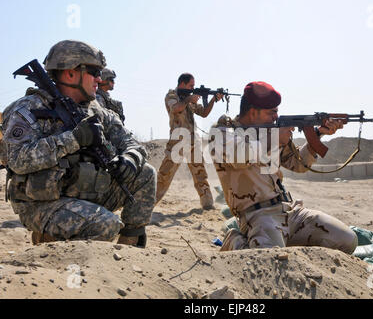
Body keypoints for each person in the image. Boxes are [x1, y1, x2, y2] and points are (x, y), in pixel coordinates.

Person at [1, 40, 156, 248]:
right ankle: (49, 242)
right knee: (106, 225)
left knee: (145, 174)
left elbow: (130, 142)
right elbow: (17, 159)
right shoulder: (29, 109)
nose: (99, 79)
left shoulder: (96, 110)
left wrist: (130, 158)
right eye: (94, 71)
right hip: (42, 204)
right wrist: (73, 140)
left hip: (85, 192)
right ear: (70, 73)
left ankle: (127, 256)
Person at [210, 81, 358, 254]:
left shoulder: (270, 133)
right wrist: (274, 139)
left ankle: (280, 243)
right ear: (252, 111)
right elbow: (239, 155)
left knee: (347, 240)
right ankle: (235, 242)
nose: (275, 117)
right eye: (272, 112)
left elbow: (298, 164)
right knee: (269, 259)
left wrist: (318, 135)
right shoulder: (223, 132)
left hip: (291, 212)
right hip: (258, 216)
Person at [156, 73, 222, 210]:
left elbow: (203, 113)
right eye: (191, 85)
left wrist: (213, 100)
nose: (193, 88)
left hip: (193, 141)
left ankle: (207, 203)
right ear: (182, 84)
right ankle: (148, 203)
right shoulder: (172, 95)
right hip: (178, 141)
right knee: (164, 175)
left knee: (200, 174)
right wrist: (188, 100)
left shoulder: (189, 99)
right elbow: (175, 108)